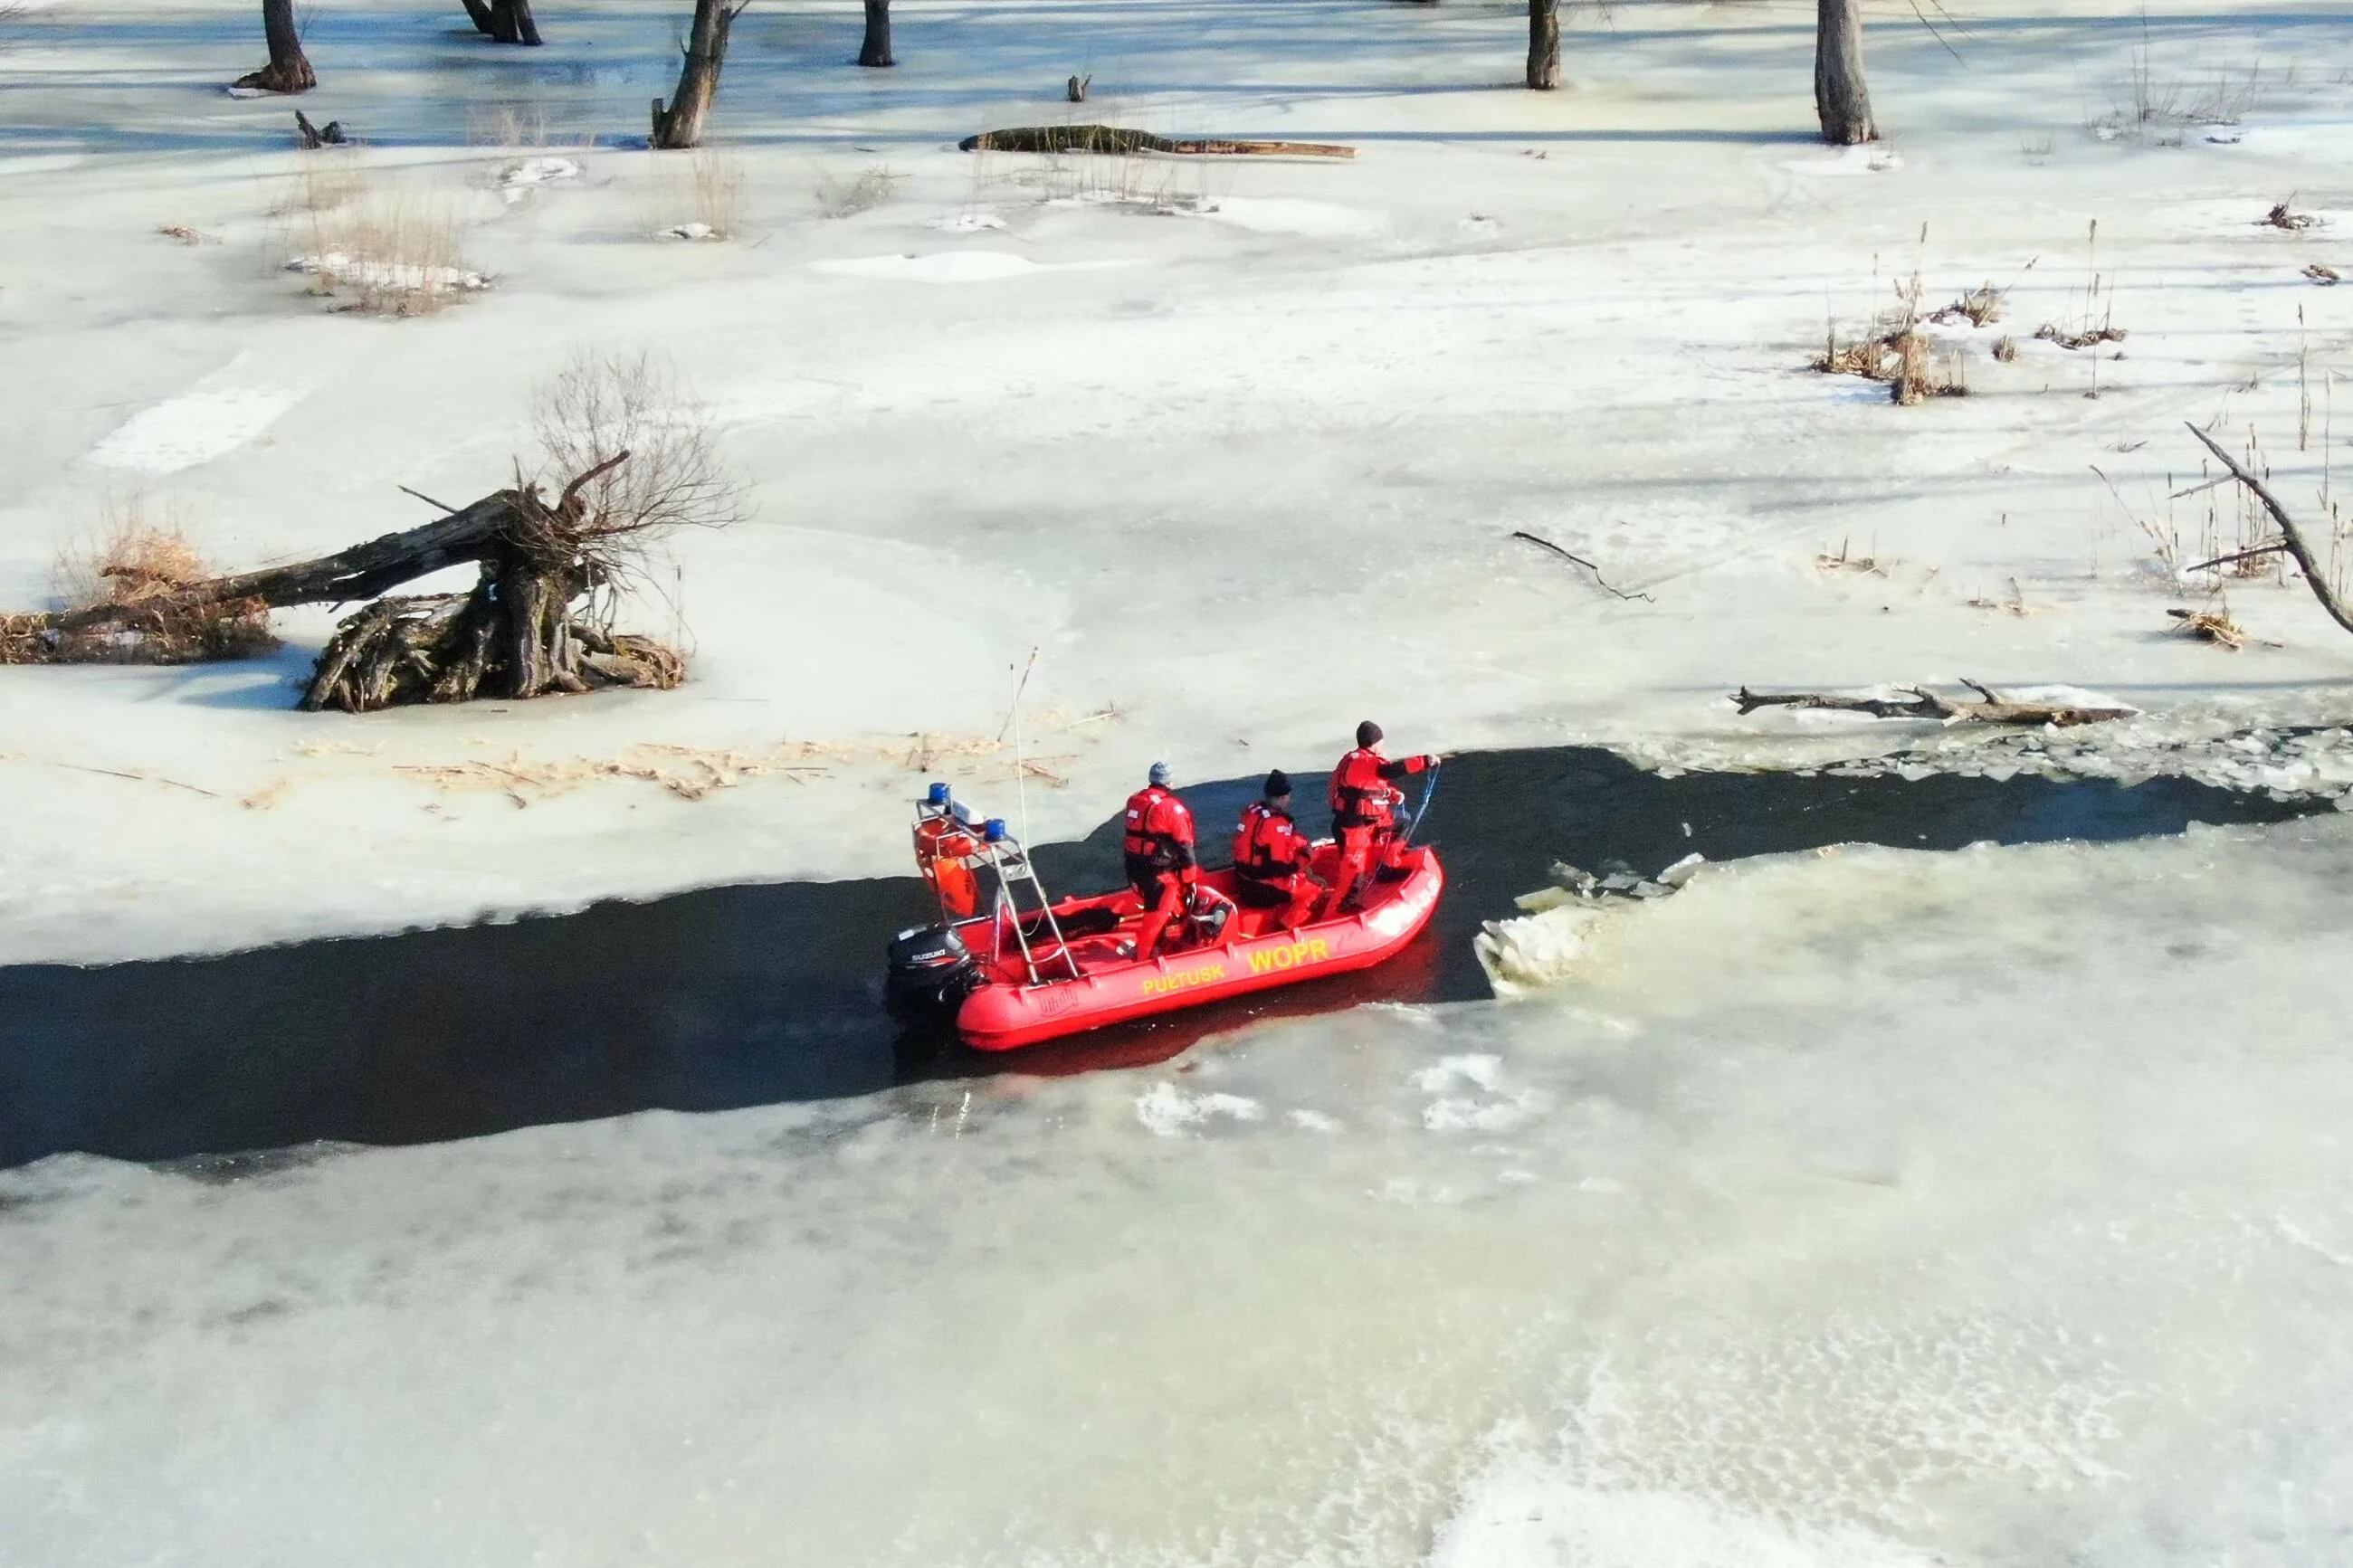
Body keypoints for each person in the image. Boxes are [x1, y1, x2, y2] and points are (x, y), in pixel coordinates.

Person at [1325, 720, 1436, 914]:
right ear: (1374, 743)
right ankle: (1332, 919)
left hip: (1357, 824)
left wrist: (1392, 794)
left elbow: (1364, 787)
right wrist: (1425, 761)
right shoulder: (1368, 761)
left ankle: (1387, 867)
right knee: (1351, 880)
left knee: (1401, 824)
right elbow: (1392, 770)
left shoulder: (1352, 759)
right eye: (1381, 742)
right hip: (1354, 830)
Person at [1120, 760, 1198, 959]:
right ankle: (1144, 961)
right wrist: (1189, 878)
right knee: (1154, 921)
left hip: (1135, 870)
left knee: (1166, 909)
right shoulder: (1171, 808)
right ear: (1169, 783)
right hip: (1160, 875)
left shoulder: (1134, 800)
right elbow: (1185, 845)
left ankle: (1163, 943)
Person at [1231, 769, 1324, 928]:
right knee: (1314, 891)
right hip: (1262, 887)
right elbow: (1283, 868)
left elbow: (1261, 843)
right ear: (1283, 797)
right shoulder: (1277, 824)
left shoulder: (1252, 813)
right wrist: (1305, 859)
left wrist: (1300, 844)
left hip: (1242, 880)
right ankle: (1286, 930)